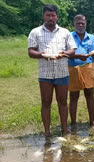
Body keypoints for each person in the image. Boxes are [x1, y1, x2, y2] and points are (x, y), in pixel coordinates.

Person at [28, 4, 77, 137]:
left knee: (63, 102)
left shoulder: (65, 32)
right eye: (48, 15)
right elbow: (31, 51)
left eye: (53, 15)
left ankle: (65, 129)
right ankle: (47, 131)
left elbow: (73, 50)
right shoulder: (35, 32)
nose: (50, 18)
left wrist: (64, 53)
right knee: (46, 102)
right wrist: (41, 55)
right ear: (43, 16)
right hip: (45, 74)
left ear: (57, 17)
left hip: (62, 73)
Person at [68, 14, 94, 129]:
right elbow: (65, 53)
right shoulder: (69, 36)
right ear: (74, 24)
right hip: (73, 68)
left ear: (86, 24)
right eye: (78, 23)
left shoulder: (92, 38)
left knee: (89, 95)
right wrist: (76, 56)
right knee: (73, 96)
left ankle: (92, 121)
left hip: (88, 68)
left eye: (82, 23)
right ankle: (73, 123)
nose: (80, 25)